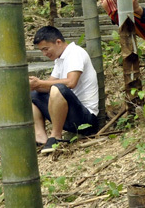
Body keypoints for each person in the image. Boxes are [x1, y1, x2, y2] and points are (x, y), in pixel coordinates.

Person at [29, 26, 100, 154]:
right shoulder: (59, 60)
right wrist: (35, 85)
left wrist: (41, 82)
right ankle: (40, 137)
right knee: (34, 93)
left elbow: (71, 82)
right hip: (68, 116)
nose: (45, 54)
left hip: (86, 119)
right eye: (42, 51)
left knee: (58, 88)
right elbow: (47, 85)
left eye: (46, 49)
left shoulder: (75, 53)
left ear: (58, 42)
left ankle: (56, 136)